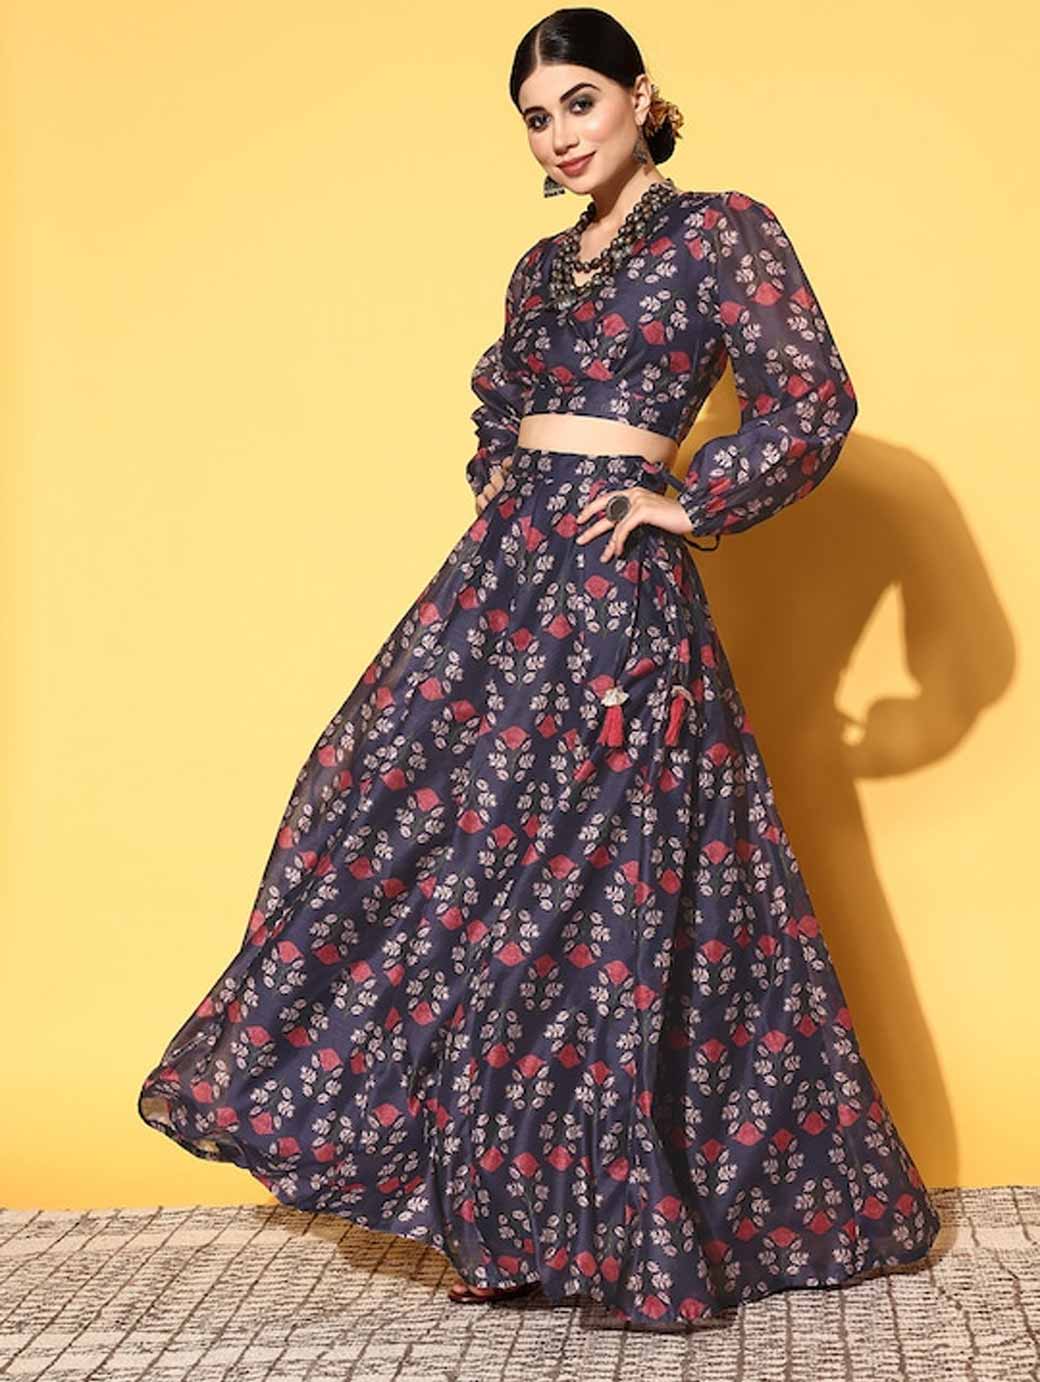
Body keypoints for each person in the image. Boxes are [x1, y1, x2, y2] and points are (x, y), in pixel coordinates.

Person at [138, 6, 941, 1330]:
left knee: (604, 901)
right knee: (448, 855)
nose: (559, 135)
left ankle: (616, 1227)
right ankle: (502, 1215)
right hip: (510, 586)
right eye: (534, 118)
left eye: (579, 101)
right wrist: (513, 504)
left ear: (639, 96)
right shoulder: (538, 269)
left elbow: (812, 398)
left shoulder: (720, 230)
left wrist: (687, 499)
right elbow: (501, 408)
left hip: (622, 597)